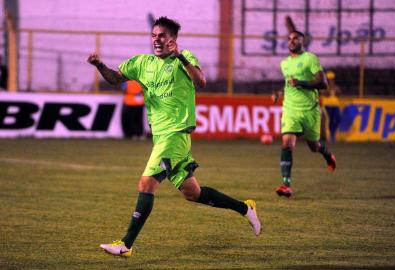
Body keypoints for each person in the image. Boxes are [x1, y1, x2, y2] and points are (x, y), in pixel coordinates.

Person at [87, 16, 261, 257]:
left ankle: (125, 244)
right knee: (193, 194)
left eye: (162, 36)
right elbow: (116, 78)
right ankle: (245, 208)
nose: (157, 40)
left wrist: (180, 56)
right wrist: (99, 65)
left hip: (175, 134)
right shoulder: (141, 63)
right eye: (154, 35)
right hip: (161, 137)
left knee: (146, 184)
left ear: (172, 40)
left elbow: (201, 81)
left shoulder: (184, 58)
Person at [275, 30, 336, 198]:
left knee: (313, 146)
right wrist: (279, 93)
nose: (292, 41)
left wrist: (301, 82)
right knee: (287, 142)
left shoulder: (310, 59)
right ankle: (286, 184)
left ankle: (328, 155)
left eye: (296, 38)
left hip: (310, 110)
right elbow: (288, 85)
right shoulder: (284, 63)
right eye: (289, 38)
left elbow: (323, 83)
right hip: (290, 109)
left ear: (303, 41)